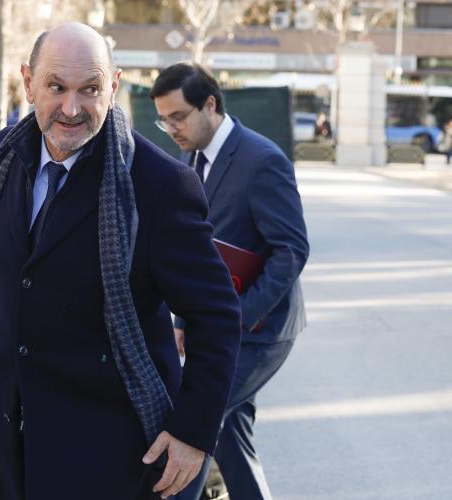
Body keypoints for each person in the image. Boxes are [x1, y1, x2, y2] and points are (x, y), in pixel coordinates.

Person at [0, 22, 241, 500]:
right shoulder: (1, 156)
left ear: (113, 87)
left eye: (90, 89)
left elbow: (217, 315)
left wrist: (193, 433)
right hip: (9, 443)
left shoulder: (159, 185)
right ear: (28, 82)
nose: (71, 108)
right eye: (56, 87)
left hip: (109, 455)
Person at [151, 62, 309, 500]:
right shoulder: (188, 159)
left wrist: (238, 317)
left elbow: (291, 249)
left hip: (260, 330)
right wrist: (183, 321)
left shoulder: (263, 160)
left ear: (210, 104)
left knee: (195, 421)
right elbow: (197, 254)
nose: (171, 129)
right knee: (231, 437)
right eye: (163, 121)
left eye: (178, 117)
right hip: (217, 327)